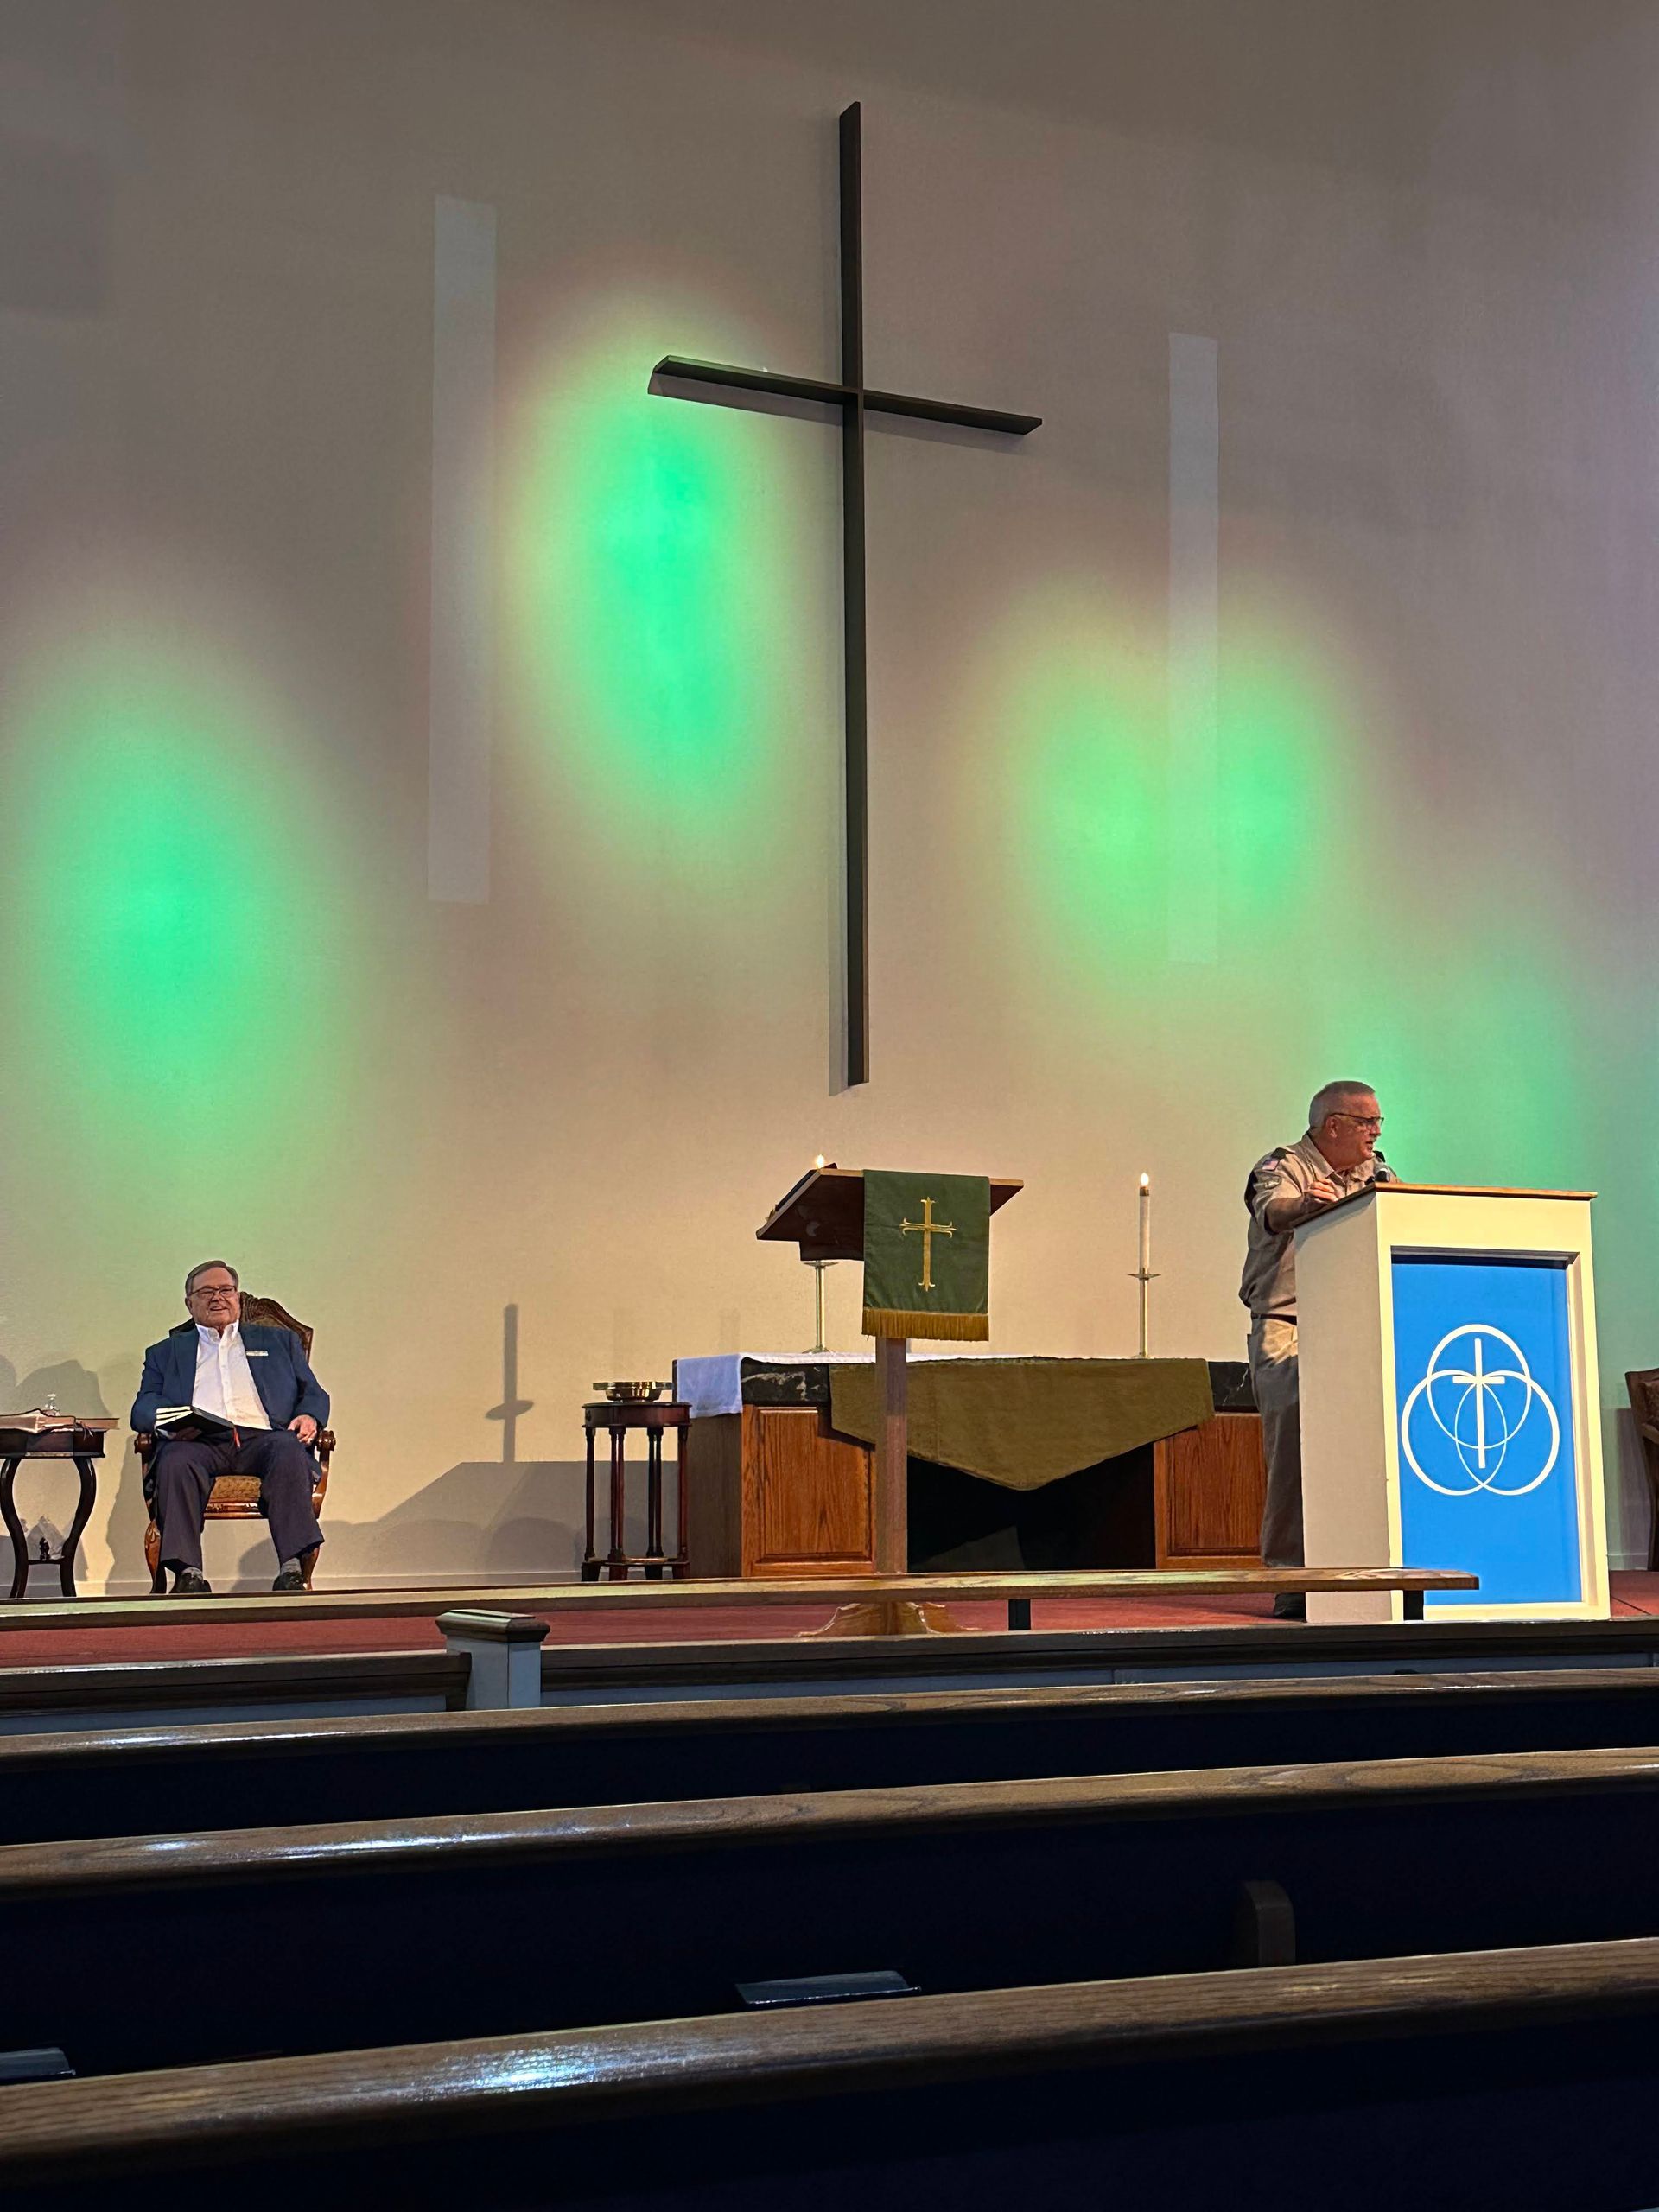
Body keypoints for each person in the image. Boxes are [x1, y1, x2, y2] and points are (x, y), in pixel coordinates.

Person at [1241, 1083, 1397, 1618]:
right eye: (1368, 1123)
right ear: (1334, 1125)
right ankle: (1291, 1578)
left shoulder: (1378, 1174)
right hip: (1290, 1322)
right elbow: (1275, 1210)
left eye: (1379, 1124)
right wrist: (1307, 1205)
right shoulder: (1283, 1165)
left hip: (1359, 1324)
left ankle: (1376, 1571)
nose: (1377, 1133)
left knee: (1370, 1446)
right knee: (1293, 1451)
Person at [131, 1260, 328, 1597]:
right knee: (175, 1459)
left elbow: (313, 1392)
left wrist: (309, 1416)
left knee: (288, 1450)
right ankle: (188, 1574)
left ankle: (292, 1569)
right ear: (189, 1303)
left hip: (265, 1439)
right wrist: (170, 1418)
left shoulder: (280, 1342)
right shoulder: (166, 1353)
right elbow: (143, 1406)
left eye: (225, 1290)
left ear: (237, 1297)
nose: (217, 1298)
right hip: (198, 1440)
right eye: (206, 1291)